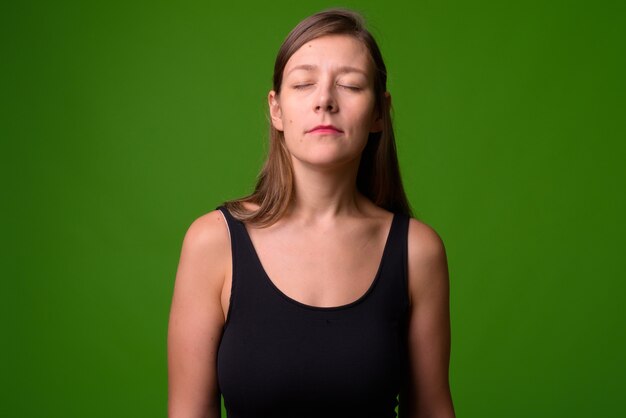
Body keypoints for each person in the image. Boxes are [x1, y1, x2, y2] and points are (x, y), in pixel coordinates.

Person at [167, 8, 455, 418]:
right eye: (303, 84)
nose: (324, 101)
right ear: (276, 109)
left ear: (379, 113)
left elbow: (431, 409)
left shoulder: (417, 251)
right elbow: (188, 410)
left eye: (351, 85)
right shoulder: (212, 242)